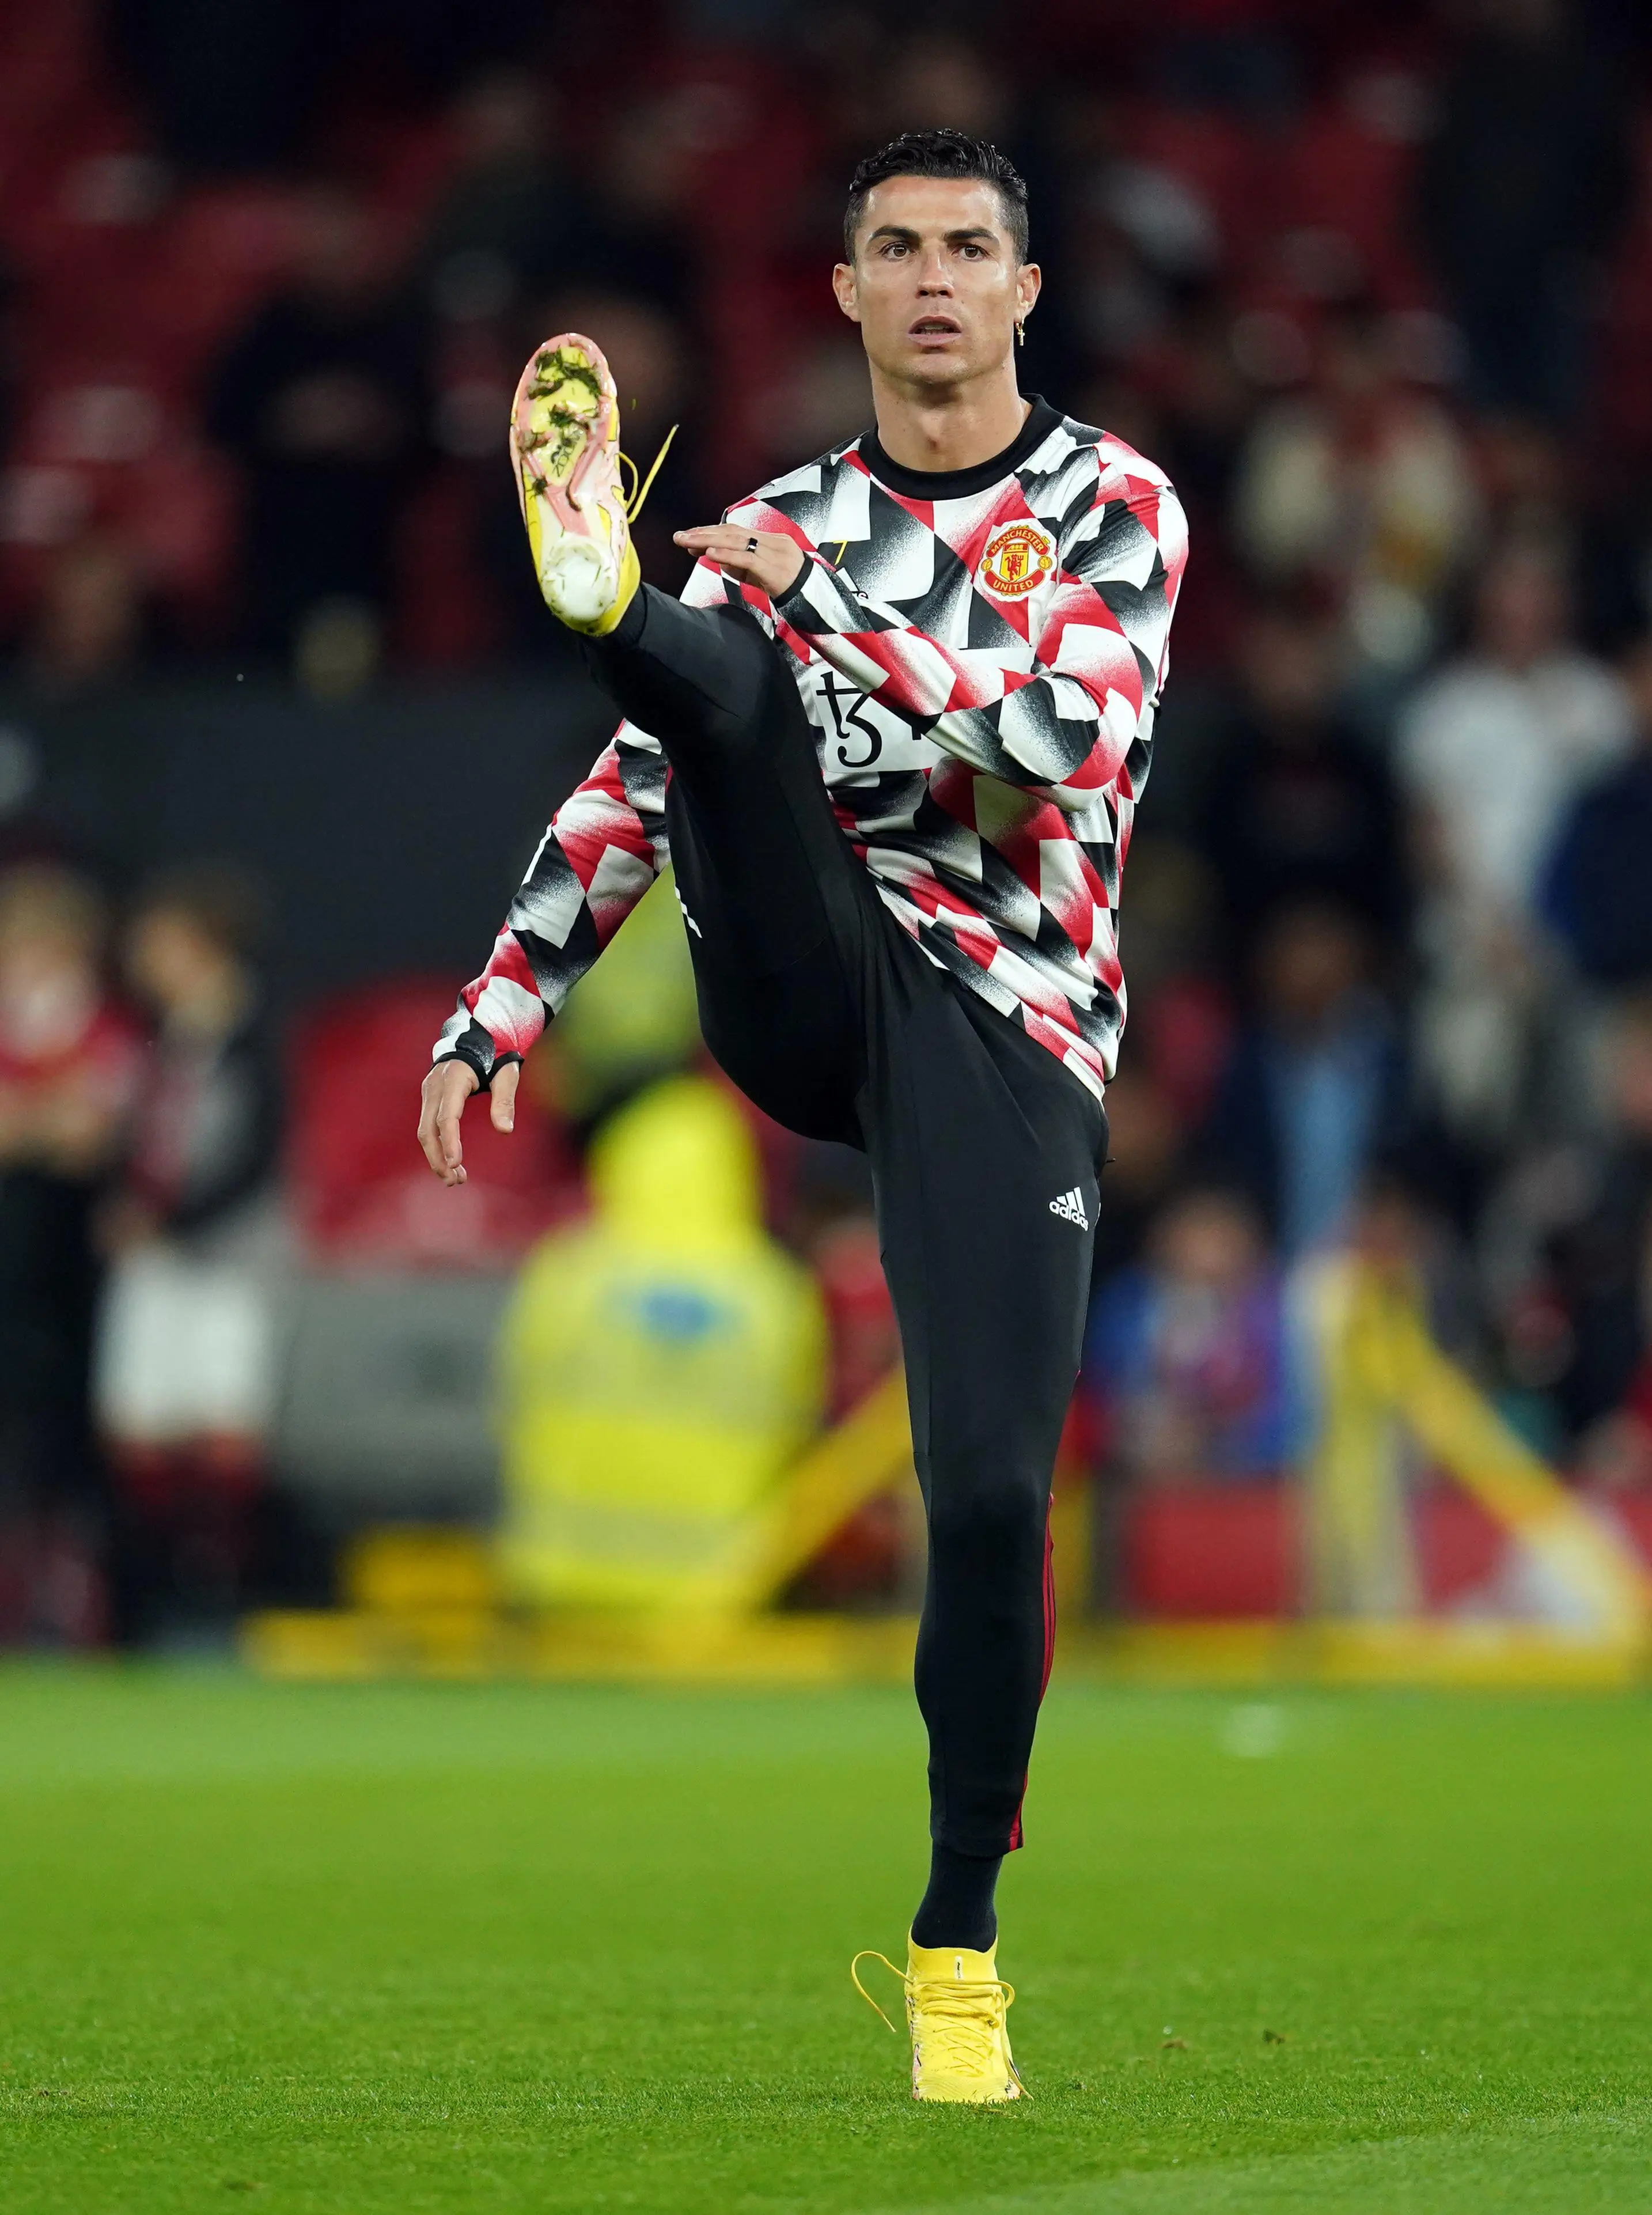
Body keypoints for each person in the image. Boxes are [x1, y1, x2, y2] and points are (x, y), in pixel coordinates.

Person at [416, 129, 1185, 2102]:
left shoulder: (1114, 503)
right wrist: (507, 992)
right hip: (806, 974)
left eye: (965, 249)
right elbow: (630, 786)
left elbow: (1049, 743)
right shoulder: (785, 520)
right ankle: (600, 596)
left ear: (1023, 290)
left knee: (993, 1490)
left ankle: (952, 1946)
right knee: (713, 703)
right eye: (892, 250)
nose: (930, 279)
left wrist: (816, 616)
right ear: (840, 295)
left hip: (1009, 1032)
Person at [95, 866, 285, 1643]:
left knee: (219, 1425)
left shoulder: (254, 1038)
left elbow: (258, 1159)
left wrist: (170, 1220)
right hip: (157, 1262)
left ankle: (220, 1601)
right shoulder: (161, 1042)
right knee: (142, 1425)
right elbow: (137, 1142)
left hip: (227, 1265)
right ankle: (158, 1596)